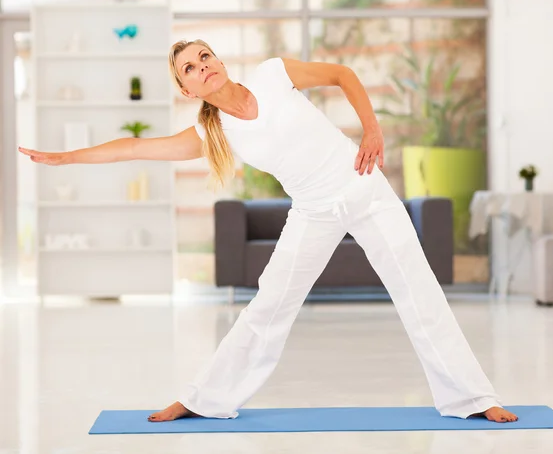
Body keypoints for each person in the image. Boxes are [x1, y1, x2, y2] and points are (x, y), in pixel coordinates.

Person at [19, 39, 518, 424]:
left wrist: (372, 129)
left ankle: (473, 398)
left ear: (220, 61)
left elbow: (342, 74)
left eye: (204, 56)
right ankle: (203, 400)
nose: (202, 66)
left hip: (366, 189)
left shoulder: (273, 74)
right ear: (187, 90)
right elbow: (133, 149)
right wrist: (65, 158)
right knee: (267, 306)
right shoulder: (213, 134)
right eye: (189, 68)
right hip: (313, 212)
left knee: (419, 292)